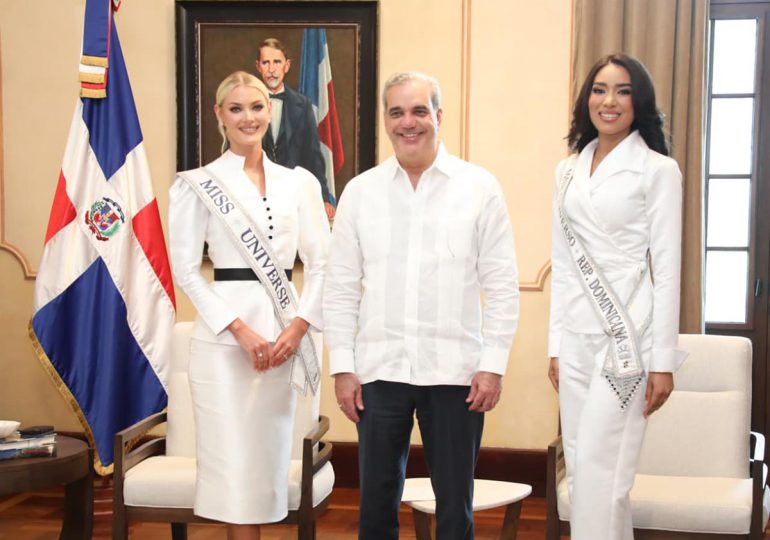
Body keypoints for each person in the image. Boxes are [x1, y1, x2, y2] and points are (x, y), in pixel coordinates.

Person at [323, 71, 520, 540]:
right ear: (386, 120)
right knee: (375, 506)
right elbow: (341, 287)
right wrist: (343, 368)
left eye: (419, 111)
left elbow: (502, 284)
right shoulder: (361, 191)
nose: (408, 123)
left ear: (438, 116)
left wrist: (492, 365)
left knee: (455, 509)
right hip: (379, 371)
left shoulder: (479, 187)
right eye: (397, 112)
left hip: (456, 374)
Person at [168, 70, 329, 540]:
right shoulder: (196, 184)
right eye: (235, 108)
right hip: (222, 344)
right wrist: (239, 330)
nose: (248, 117)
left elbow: (323, 264)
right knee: (232, 469)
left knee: (263, 469)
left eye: (257, 107)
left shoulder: (299, 183)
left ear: (270, 111)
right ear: (219, 115)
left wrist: (297, 329)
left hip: (283, 335)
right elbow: (184, 271)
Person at [547, 53, 688, 540]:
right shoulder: (565, 172)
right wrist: (556, 346)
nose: (609, 101)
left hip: (628, 338)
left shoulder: (658, 170)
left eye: (623, 91)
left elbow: (667, 269)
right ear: (586, 99)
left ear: (639, 102)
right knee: (586, 471)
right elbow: (562, 265)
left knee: (605, 472)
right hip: (577, 339)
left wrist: (663, 361)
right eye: (599, 89)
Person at [255, 37, 336, 220]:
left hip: (293, 198)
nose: (272, 69)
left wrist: (323, 197)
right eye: (266, 62)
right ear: (258, 66)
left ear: (287, 65)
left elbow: (313, 155)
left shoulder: (303, 104)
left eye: (277, 62)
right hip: (255, 197)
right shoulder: (247, 103)